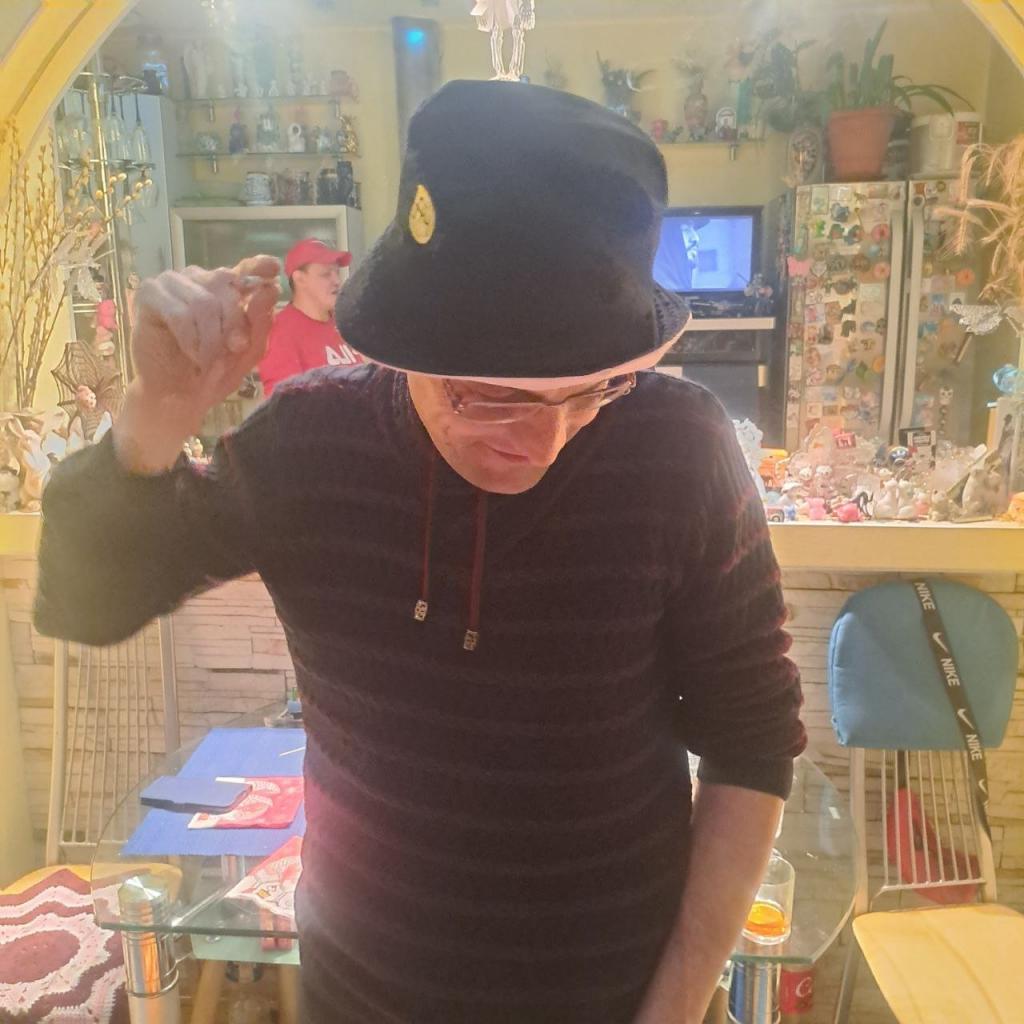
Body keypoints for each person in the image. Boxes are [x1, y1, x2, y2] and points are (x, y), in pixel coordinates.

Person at [34, 81, 804, 1024]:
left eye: (594, 389)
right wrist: (157, 409)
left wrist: (676, 1006)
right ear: (405, 349)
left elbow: (752, 738)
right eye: (492, 396)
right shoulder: (309, 445)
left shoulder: (682, 448)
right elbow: (87, 601)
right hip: (361, 998)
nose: (545, 440)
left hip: (622, 999)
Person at [257, 237, 361, 396]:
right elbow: (286, 404)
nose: (337, 280)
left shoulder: (345, 325)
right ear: (300, 279)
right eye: (326, 274)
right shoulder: (280, 332)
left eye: (337, 272)